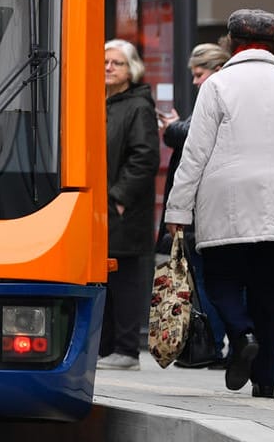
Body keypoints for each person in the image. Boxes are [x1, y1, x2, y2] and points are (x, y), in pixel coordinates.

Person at [164, 8, 274, 399]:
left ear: (230, 44)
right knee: (270, 289)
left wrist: (178, 210)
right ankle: (267, 381)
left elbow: (195, 153)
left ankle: (241, 336)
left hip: (227, 195)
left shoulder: (218, 85)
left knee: (222, 278)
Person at [156, 41, 230, 366]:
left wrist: (171, 127)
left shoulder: (218, 94)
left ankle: (209, 344)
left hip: (205, 208)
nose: (196, 81)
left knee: (204, 279)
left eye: (199, 74)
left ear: (216, 70)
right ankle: (214, 343)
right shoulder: (212, 95)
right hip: (205, 207)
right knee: (205, 278)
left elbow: (188, 136)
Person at [99, 39, 159, 371]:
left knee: (124, 281)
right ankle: (107, 348)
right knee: (103, 280)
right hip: (100, 208)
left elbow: (144, 157)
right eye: (105, 62)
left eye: (117, 63)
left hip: (123, 209)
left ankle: (126, 350)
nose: (109, 68)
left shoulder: (137, 106)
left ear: (131, 70)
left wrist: (119, 198)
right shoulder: (101, 102)